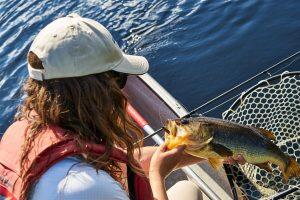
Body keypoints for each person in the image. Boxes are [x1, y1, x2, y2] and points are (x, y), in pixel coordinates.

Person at [0, 14, 245, 200]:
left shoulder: (32, 130)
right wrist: (157, 176)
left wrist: (208, 153)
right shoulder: (82, 187)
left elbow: (127, 164)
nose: (122, 93)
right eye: (118, 79)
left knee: (186, 188)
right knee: (189, 189)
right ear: (95, 91)